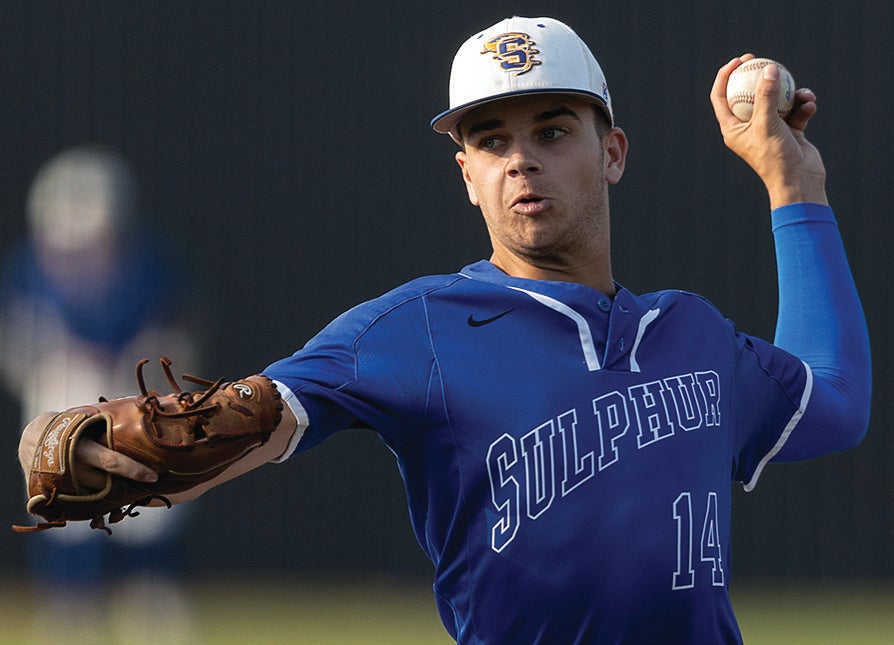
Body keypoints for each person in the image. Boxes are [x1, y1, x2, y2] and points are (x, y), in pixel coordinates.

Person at [16, 16, 871, 644]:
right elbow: (258, 418)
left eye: (551, 129)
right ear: (468, 175)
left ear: (612, 152)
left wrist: (795, 187)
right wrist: (124, 447)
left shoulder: (694, 335)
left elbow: (835, 398)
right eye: (491, 139)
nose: (520, 159)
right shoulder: (415, 327)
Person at [2, 146, 199, 642]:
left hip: (135, 393)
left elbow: (178, 331)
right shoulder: (29, 269)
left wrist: (151, 366)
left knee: (149, 505)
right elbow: (18, 342)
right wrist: (52, 368)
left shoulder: (150, 264)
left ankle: (152, 602)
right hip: (65, 393)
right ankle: (69, 610)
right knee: (62, 499)